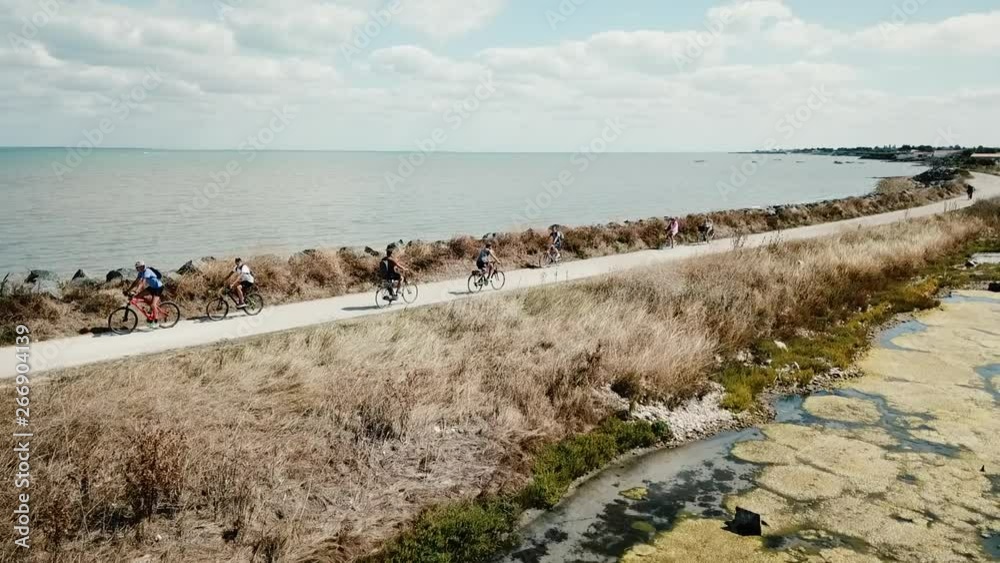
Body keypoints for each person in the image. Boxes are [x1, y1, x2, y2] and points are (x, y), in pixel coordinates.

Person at [125, 260, 164, 328]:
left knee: (153, 304)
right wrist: (128, 290)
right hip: (152, 287)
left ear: (142, 267)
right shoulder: (141, 272)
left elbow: (143, 282)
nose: (137, 269)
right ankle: (150, 310)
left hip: (158, 288)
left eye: (138, 268)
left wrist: (136, 290)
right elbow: (136, 282)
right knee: (137, 296)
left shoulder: (147, 271)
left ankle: (156, 321)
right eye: (136, 268)